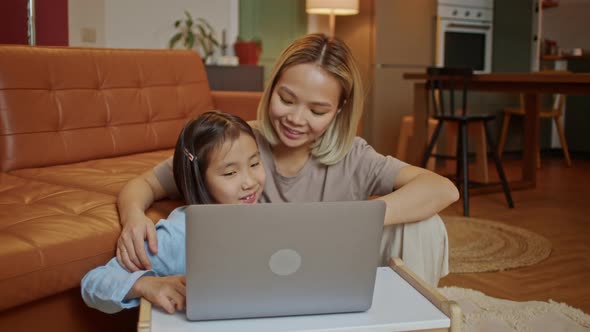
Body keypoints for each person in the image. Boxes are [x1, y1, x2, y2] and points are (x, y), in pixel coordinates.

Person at [116, 33, 459, 286]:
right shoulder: (236, 146)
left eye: (317, 110)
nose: (296, 119)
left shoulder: (354, 155)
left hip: (333, 270)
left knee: (425, 226)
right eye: (287, 98)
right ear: (272, 85)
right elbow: (144, 184)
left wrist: (357, 219)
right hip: (260, 278)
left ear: (339, 110)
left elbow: (441, 189)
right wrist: (133, 216)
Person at [81, 111, 266, 314]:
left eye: (255, 163)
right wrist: (145, 285)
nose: (250, 182)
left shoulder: (264, 217)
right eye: (230, 173)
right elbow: (93, 283)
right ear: (200, 180)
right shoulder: (178, 234)